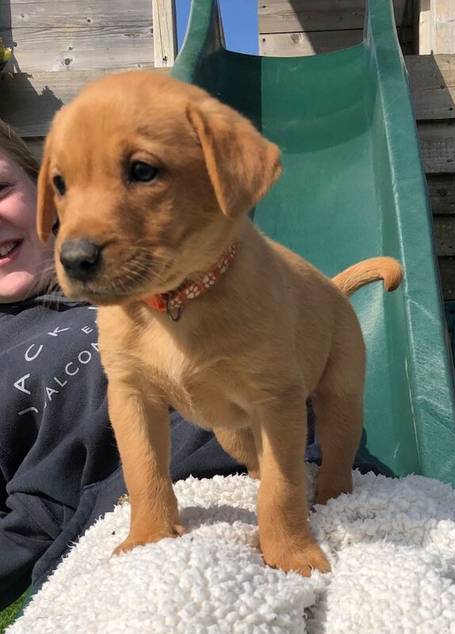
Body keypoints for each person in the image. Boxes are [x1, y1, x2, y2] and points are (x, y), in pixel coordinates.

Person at [0, 120, 253, 611]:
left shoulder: (153, 262)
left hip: (301, 460)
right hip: (138, 524)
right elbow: (28, 521)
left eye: (0, 188)